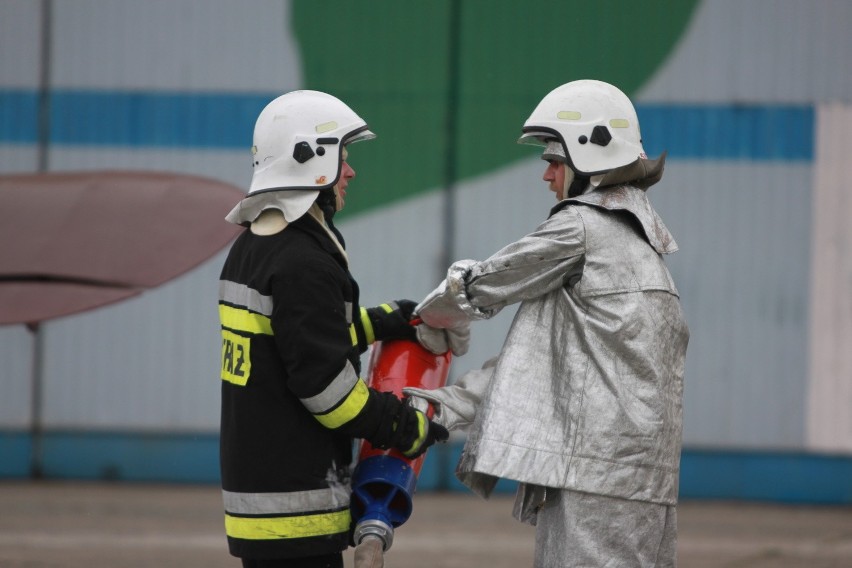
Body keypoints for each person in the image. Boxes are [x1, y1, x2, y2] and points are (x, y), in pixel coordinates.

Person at [405, 79, 690, 567]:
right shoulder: (644, 251)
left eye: (554, 161)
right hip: (644, 484)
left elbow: (484, 283)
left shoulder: (581, 228)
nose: (547, 176)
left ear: (589, 157)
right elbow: (543, 358)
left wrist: (426, 320)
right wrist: (445, 409)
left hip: (593, 482)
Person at [217, 90, 453, 568]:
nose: (350, 171)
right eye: (342, 157)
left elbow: (300, 344)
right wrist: (405, 426)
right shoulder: (304, 262)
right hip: (297, 515)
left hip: (262, 506)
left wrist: (388, 320)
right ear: (311, 160)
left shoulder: (255, 248)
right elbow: (327, 390)